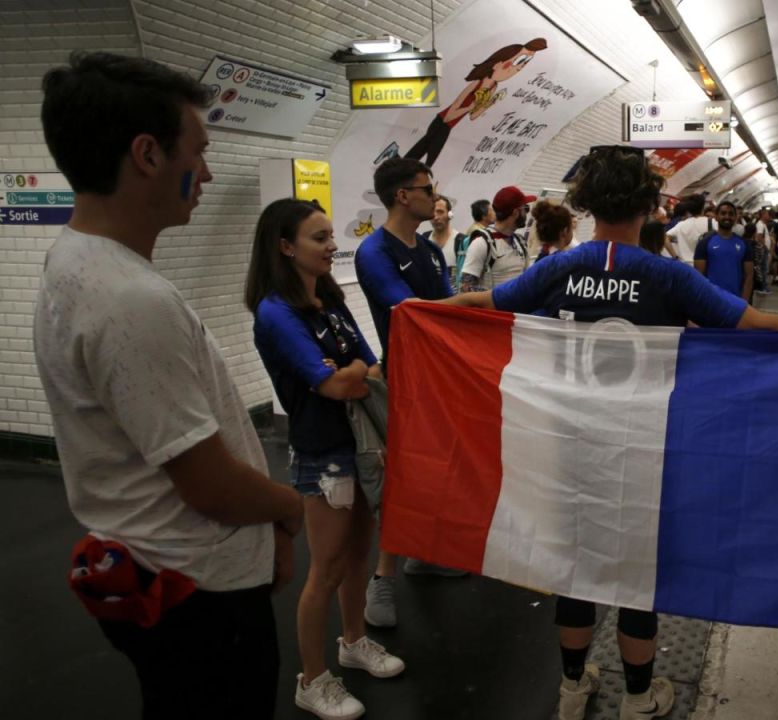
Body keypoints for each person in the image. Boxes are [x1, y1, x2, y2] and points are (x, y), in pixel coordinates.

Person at [435, 145, 778, 720]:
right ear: (649, 204)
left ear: (585, 203)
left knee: (573, 567)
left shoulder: (555, 268)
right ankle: (639, 697)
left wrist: (416, 315)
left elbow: (482, 304)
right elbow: (753, 325)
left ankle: (573, 688)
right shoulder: (665, 274)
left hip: (566, 447)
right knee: (635, 573)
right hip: (641, 451)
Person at [34, 51, 304, 719]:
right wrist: (291, 509)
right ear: (148, 154)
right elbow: (209, 484)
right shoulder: (130, 298)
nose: (206, 172)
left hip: (150, 567)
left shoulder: (75, 261)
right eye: (199, 152)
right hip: (197, 592)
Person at [248, 199, 406, 720]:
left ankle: (353, 641)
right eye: (319, 238)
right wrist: (354, 372)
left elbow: (371, 368)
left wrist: (355, 372)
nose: (332, 246)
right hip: (322, 457)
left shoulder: (331, 300)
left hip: (359, 446)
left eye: (331, 236)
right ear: (286, 247)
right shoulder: (276, 312)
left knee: (359, 552)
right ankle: (311, 678)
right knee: (327, 569)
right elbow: (336, 383)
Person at [354, 157, 462, 626]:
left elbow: (446, 303)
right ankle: (382, 579)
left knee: (437, 469)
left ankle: (424, 552)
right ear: (403, 195)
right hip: (405, 379)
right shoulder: (373, 252)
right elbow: (413, 310)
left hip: (440, 373)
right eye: (426, 188)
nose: (433, 195)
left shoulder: (429, 250)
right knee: (401, 477)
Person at [403, 38, 547, 166]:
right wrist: (470, 107)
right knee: (423, 156)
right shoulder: (477, 83)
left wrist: (488, 104)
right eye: (514, 64)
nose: (514, 70)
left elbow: (473, 116)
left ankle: (400, 168)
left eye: (519, 69)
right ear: (497, 64)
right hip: (441, 122)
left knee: (424, 157)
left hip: (448, 126)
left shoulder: (493, 87)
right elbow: (449, 115)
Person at [460, 185, 535, 292]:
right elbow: (465, 288)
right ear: (515, 212)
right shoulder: (482, 243)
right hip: (491, 308)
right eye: (525, 208)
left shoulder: (521, 242)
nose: (526, 213)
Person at [695, 200, 754, 301]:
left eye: (731, 214)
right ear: (716, 217)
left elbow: (749, 276)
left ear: (735, 218)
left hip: (736, 301)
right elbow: (699, 276)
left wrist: (744, 303)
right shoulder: (704, 243)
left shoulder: (744, 244)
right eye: (723, 213)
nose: (727, 217)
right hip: (712, 301)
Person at [428, 195, 468, 281]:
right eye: (432, 211)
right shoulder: (424, 239)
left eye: (440, 212)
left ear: (450, 214)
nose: (435, 217)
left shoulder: (461, 241)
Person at [665, 196, 713, 264]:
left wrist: (675, 256)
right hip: (704, 265)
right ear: (703, 208)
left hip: (686, 266)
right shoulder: (713, 222)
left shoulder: (681, 224)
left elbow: (664, 238)